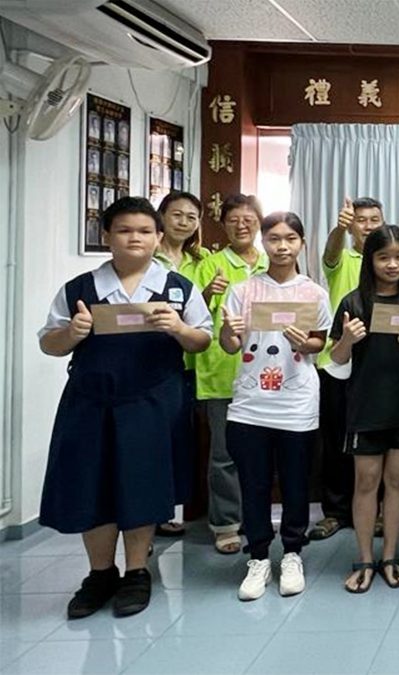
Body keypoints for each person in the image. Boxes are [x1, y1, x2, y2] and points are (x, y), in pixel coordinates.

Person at [38, 196, 212, 618]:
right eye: (124, 230)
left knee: (143, 482)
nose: (135, 238)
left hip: (152, 402)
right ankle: (100, 574)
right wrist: (74, 333)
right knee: (90, 483)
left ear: (157, 237)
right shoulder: (81, 289)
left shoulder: (176, 288)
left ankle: (136, 572)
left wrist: (179, 328)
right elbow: (49, 343)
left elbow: (203, 339)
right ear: (107, 236)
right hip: (90, 401)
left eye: (144, 231)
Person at [219, 212, 332, 601]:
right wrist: (228, 332)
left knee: (296, 482)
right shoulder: (243, 290)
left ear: (301, 243)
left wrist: (305, 343)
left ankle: (294, 553)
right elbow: (231, 346)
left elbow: (319, 342)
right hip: (251, 403)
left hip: (297, 400)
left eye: (290, 239)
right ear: (263, 242)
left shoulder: (314, 292)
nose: (282, 246)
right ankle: (259, 557)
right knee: (253, 482)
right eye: (274, 239)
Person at [329, 226, 399, 593]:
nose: (392, 265)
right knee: (366, 482)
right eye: (383, 257)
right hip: (366, 406)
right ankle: (364, 559)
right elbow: (336, 359)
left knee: (396, 482)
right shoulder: (353, 303)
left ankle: (390, 555)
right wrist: (347, 339)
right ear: (370, 260)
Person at [193, 194, 268, 554]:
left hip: (269, 374)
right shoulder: (210, 264)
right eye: (234, 219)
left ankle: (261, 520)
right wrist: (209, 293)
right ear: (223, 224)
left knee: (265, 453)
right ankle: (225, 524)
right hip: (223, 372)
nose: (242, 225)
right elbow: (192, 318)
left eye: (249, 219)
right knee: (224, 454)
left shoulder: (273, 260)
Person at [310, 196, 385, 542]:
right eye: (361, 220)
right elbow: (329, 255)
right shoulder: (342, 258)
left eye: (374, 220)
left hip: (379, 366)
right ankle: (336, 512)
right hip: (339, 362)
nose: (368, 226)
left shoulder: (388, 261)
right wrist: (338, 229)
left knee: (377, 441)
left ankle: (379, 510)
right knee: (337, 440)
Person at [152, 191, 210, 538]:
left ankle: (164, 510)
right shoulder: (149, 260)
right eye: (177, 215)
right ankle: (149, 516)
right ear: (161, 217)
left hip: (191, 363)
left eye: (192, 217)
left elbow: (199, 315)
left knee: (177, 440)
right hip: (155, 364)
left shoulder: (199, 261)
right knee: (153, 440)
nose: (184, 222)